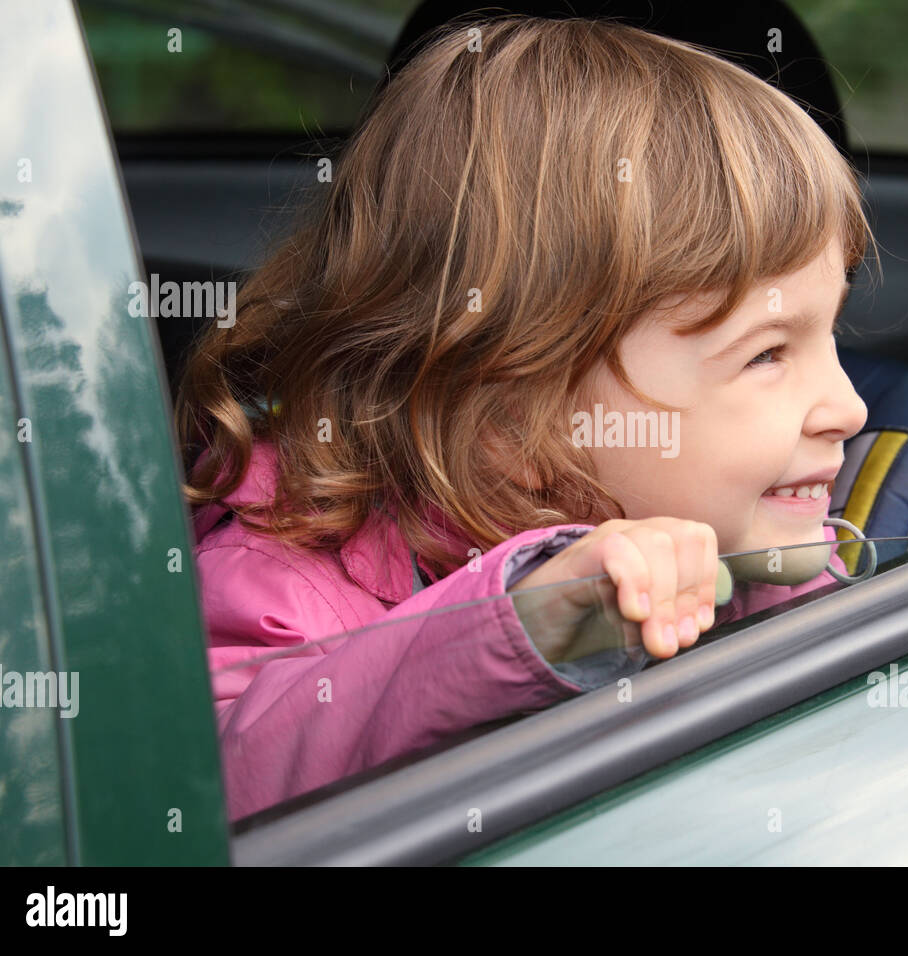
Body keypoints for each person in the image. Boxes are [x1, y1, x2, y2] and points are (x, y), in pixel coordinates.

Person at [174, 13, 871, 822]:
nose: (850, 407)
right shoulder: (279, 580)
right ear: (513, 417)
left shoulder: (733, 541)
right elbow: (209, 791)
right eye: (767, 356)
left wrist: (768, 579)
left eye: (831, 334)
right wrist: (530, 621)